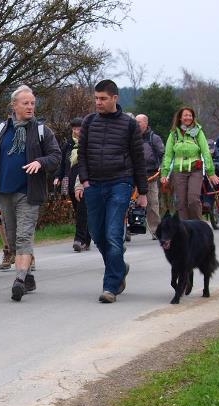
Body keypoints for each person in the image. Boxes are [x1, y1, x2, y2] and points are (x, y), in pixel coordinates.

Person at [0, 85, 61, 301]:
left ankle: (19, 279)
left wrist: (40, 161)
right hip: (4, 192)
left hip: (28, 193)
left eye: (32, 103)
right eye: (25, 103)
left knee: (23, 236)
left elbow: (56, 156)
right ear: (14, 105)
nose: (30, 107)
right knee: (11, 238)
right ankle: (28, 276)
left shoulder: (41, 131)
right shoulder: (0, 131)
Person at [74, 79, 147, 304]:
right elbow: (82, 154)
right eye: (96, 98)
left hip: (120, 183)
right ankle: (119, 267)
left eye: (103, 98)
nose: (99, 102)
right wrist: (84, 181)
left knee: (113, 234)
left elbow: (138, 158)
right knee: (97, 234)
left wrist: (142, 191)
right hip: (94, 184)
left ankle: (110, 286)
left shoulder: (129, 125)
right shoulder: (89, 122)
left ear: (115, 98)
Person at [160, 107, 219, 221]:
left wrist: (211, 172)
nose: (188, 118)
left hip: (195, 170)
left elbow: (206, 152)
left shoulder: (198, 132)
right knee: (181, 202)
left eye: (190, 116)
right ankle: (185, 229)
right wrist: (165, 174)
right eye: (185, 115)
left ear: (193, 118)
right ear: (180, 118)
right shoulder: (174, 134)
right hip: (179, 172)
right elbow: (168, 155)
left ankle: (198, 226)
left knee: (193, 199)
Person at [54, 117, 90, 251]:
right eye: (74, 129)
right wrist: (58, 176)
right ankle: (86, 238)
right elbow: (63, 163)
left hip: (84, 181)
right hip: (70, 181)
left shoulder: (88, 143)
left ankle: (78, 240)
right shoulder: (68, 145)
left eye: (79, 128)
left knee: (82, 211)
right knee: (78, 211)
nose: (76, 131)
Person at [135, 113, 165, 236]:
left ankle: (155, 230)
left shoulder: (154, 138)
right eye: (135, 122)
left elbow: (163, 154)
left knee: (152, 203)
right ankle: (125, 231)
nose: (137, 125)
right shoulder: (130, 137)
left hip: (150, 175)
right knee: (127, 203)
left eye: (139, 122)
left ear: (146, 123)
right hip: (133, 176)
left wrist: (162, 168)